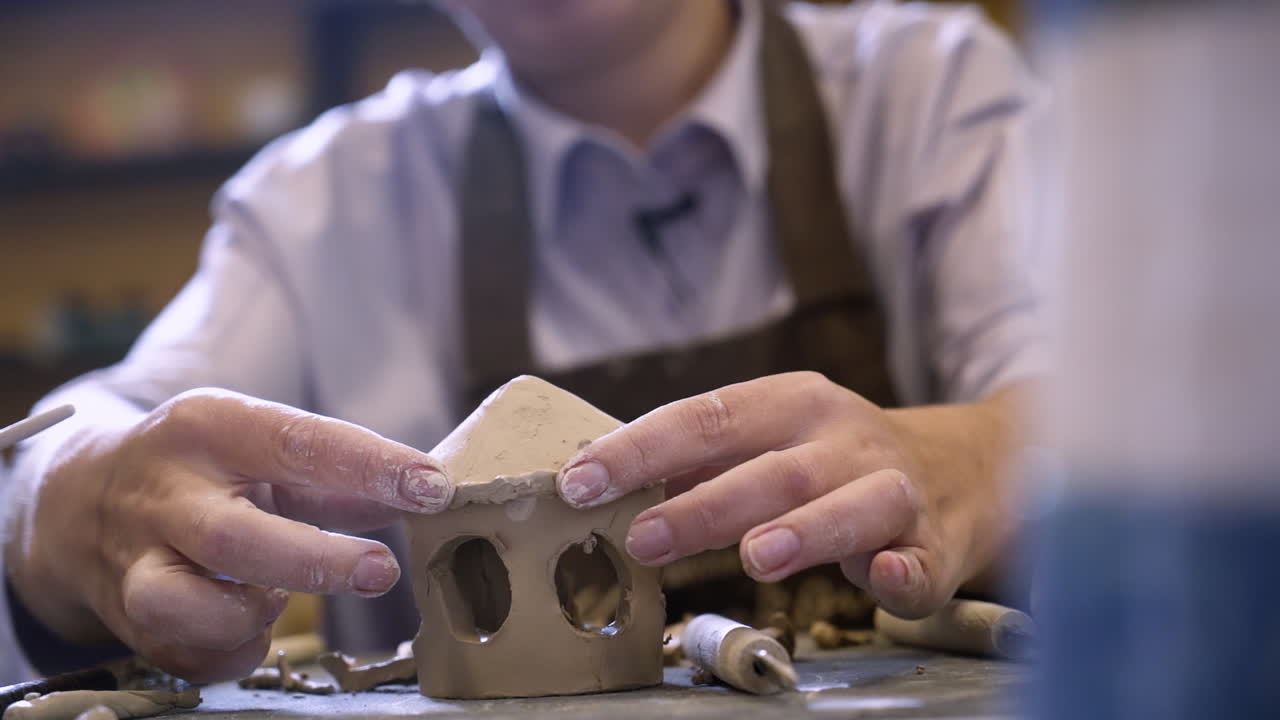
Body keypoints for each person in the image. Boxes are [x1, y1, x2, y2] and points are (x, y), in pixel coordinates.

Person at [2, 0, 1045, 684]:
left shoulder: (930, 94)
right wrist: (73, 496)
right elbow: (103, 422)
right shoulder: (318, 204)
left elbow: (1084, 403)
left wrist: (970, 454)